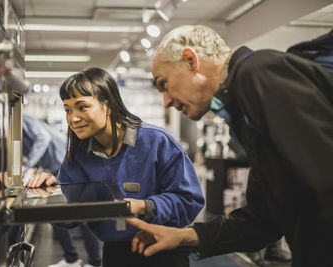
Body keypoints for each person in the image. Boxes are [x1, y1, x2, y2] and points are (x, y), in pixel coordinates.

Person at [125, 25, 333, 267]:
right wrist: (184, 236)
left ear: (191, 61)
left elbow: (326, 186)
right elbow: (263, 220)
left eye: (164, 84)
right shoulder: (242, 107)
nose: (166, 102)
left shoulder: (256, 72)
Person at [26, 67, 205, 267]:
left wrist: (146, 206)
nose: (73, 118)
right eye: (68, 109)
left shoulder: (156, 141)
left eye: (82, 107)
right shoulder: (77, 157)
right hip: (115, 253)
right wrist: (50, 193)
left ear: (108, 106)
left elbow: (190, 200)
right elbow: (67, 220)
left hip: (164, 250)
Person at [0, 115, 103, 267]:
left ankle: (95, 262)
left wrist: (28, 164)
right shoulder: (16, 130)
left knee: (83, 212)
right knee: (55, 213)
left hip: (68, 163)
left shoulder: (21, 119)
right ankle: (72, 259)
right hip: (57, 167)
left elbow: (43, 138)